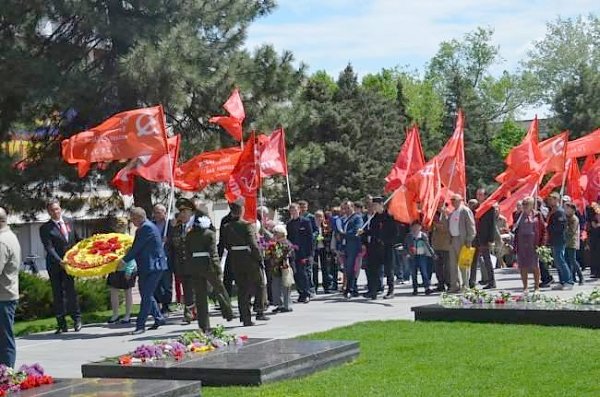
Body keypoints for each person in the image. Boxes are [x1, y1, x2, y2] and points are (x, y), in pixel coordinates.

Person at [220, 201, 269, 326]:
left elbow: (224, 244)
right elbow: (253, 245)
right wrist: (259, 259)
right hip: (249, 260)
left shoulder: (226, 227)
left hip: (235, 260)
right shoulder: (247, 225)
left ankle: (245, 318)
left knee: (242, 289)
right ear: (241, 211)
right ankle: (259, 309)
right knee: (260, 284)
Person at [184, 212, 234, 332]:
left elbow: (187, 253)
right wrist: (217, 269)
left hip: (195, 266)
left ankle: (204, 325)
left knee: (200, 297)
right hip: (208, 265)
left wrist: (190, 266)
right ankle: (228, 312)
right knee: (219, 289)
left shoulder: (189, 235)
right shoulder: (210, 234)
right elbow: (213, 254)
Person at [122, 207, 168, 335]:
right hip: (147, 266)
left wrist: (124, 261)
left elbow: (137, 248)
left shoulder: (146, 228)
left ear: (139, 217)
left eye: (133, 219)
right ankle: (159, 318)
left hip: (154, 267)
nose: (132, 222)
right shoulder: (145, 227)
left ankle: (140, 325)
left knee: (146, 295)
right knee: (145, 293)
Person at [39, 199, 81, 334]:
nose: (55, 212)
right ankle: (61, 324)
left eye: (56, 209)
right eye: (52, 210)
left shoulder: (70, 221)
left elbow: (77, 240)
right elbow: (49, 248)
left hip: (69, 265)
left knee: (71, 292)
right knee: (58, 295)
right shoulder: (45, 228)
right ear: (48, 212)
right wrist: (59, 261)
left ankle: (77, 320)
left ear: (60, 209)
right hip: (55, 265)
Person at [169, 198, 197, 324]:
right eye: (181, 212)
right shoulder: (177, 228)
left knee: (196, 289)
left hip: (195, 264)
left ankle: (195, 312)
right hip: (182, 265)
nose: (182, 214)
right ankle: (189, 313)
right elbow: (174, 244)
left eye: (185, 211)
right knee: (187, 289)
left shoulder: (198, 225)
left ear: (191, 212)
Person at [106, 218, 136, 324]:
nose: (119, 227)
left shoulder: (129, 239)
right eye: (117, 225)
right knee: (113, 291)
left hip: (127, 268)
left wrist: (129, 270)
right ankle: (115, 314)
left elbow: (132, 256)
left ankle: (127, 315)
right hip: (114, 269)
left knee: (127, 292)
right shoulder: (112, 239)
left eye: (122, 225)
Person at [0, 207, 20, 368]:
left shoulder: (1, 241)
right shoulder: (10, 236)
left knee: (5, 340)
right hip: (8, 294)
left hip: (3, 297)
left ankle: (6, 376)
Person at [513, 197, 545, 293]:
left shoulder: (537, 215)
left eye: (527, 204)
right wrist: (513, 227)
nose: (525, 206)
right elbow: (514, 229)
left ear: (532, 205)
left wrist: (542, 243)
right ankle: (525, 287)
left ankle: (536, 287)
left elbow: (543, 229)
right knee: (523, 266)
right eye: (523, 204)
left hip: (533, 243)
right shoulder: (518, 215)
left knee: (535, 265)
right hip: (522, 243)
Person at [446, 194, 476, 292]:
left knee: (464, 264)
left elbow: (471, 226)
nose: (452, 202)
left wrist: (469, 239)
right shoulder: (452, 212)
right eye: (451, 200)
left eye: (454, 200)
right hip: (453, 239)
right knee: (453, 265)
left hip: (463, 240)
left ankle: (465, 285)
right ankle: (454, 285)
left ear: (460, 200)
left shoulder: (465, 211)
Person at [287, 203, 314, 303]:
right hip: (293, 252)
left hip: (303, 252)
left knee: (303, 273)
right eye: (291, 210)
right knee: (296, 273)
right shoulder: (289, 224)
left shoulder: (305, 222)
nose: (293, 212)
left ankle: (307, 293)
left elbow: (310, 238)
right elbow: (288, 237)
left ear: (299, 210)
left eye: (294, 210)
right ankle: (300, 293)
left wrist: (309, 254)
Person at [546, 193, 574, 290]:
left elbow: (561, 227)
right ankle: (562, 281)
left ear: (556, 200)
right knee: (557, 262)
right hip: (553, 239)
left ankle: (568, 281)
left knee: (561, 261)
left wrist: (549, 227)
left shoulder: (560, 212)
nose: (549, 201)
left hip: (559, 239)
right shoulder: (552, 211)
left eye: (551, 199)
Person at [470, 189, 497, 289]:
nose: (478, 196)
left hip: (485, 238)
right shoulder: (475, 207)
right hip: (475, 237)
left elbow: (492, 225)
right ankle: (471, 281)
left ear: (485, 196)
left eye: (481, 194)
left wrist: (491, 239)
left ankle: (491, 281)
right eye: (477, 194)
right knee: (473, 260)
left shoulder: (490, 208)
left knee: (487, 260)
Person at [266, 225, 295, 313]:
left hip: (284, 267)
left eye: (276, 233)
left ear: (282, 233)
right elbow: (269, 254)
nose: (274, 234)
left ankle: (287, 305)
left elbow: (288, 254)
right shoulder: (274, 244)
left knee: (285, 286)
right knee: (275, 287)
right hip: (275, 268)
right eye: (274, 233)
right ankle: (279, 304)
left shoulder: (287, 243)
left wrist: (278, 257)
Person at [152, 204, 174, 316]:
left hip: (167, 258)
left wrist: (168, 239)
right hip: (156, 258)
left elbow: (176, 240)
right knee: (157, 283)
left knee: (167, 283)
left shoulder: (170, 225)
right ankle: (159, 304)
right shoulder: (152, 225)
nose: (156, 215)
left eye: (158, 212)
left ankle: (166, 305)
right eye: (155, 212)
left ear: (164, 213)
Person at [340, 201, 364, 299]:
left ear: (352, 207)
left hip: (353, 247)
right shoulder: (345, 219)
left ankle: (350, 289)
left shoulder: (357, 218)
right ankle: (352, 288)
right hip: (346, 246)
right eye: (344, 208)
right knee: (347, 268)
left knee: (351, 268)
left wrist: (344, 234)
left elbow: (356, 231)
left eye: (348, 208)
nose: (346, 210)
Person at [404, 220, 435, 295]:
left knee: (424, 272)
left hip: (422, 255)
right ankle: (415, 289)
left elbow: (428, 245)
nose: (416, 228)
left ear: (420, 227)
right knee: (413, 273)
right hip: (412, 256)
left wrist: (433, 254)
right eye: (414, 226)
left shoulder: (423, 235)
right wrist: (407, 253)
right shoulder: (409, 236)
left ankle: (427, 288)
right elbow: (405, 246)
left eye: (417, 226)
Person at [298, 200, 317, 295]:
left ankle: (311, 288)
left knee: (308, 269)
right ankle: (303, 289)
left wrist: (312, 236)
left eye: (304, 206)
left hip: (308, 245)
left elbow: (316, 230)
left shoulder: (310, 218)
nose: (302, 208)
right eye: (301, 206)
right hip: (299, 246)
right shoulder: (296, 217)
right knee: (301, 270)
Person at [431, 203, 451, 291]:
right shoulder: (433, 215)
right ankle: (440, 284)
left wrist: (436, 225)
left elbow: (446, 228)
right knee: (438, 266)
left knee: (447, 267)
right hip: (436, 244)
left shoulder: (447, 215)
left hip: (446, 245)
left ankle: (449, 283)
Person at [314, 210, 334, 293]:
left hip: (324, 249)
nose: (319, 218)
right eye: (317, 216)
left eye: (320, 216)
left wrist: (323, 238)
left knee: (325, 268)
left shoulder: (326, 226)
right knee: (314, 268)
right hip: (315, 249)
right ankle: (314, 287)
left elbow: (329, 237)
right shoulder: (312, 226)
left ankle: (327, 286)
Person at [564, 202, 584, 285]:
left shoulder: (574, 219)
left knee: (573, 260)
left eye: (567, 208)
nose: (566, 210)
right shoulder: (566, 217)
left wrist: (564, 227)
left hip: (572, 242)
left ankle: (581, 276)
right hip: (565, 242)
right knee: (567, 260)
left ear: (572, 209)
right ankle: (571, 278)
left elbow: (572, 231)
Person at [588, 208, 600, 279]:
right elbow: (593, 225)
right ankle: (596, 272)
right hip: (595, 239)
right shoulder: (594, 217)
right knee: (596, 256)